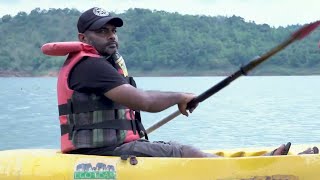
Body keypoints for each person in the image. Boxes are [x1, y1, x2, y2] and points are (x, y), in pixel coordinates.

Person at [43, 7, 318, 158]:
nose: (111, 36)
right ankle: (261, 167)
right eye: (102, 31)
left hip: (110, 146)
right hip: (102, 152)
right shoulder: (90, 67)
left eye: (113, 30)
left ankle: (261, 159)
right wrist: (179, 96)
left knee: (179, 147)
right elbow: (146, 102)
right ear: (83, 39)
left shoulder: (98, 64)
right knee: (181, 151)